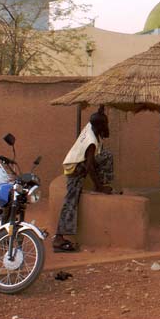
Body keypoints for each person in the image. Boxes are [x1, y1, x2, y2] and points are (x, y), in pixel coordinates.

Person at [53, 106, 114, 253]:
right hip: (75, 171)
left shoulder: (90, 126)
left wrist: (101, 110)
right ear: (99, 126)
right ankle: (59, 238)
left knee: (106, 155)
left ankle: (102, 184)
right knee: (71, 202)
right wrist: (99, 186)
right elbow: (89, 168)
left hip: (78, 163)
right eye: (105, 124)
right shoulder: (91, 142)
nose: (106, 127)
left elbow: (97, 119)